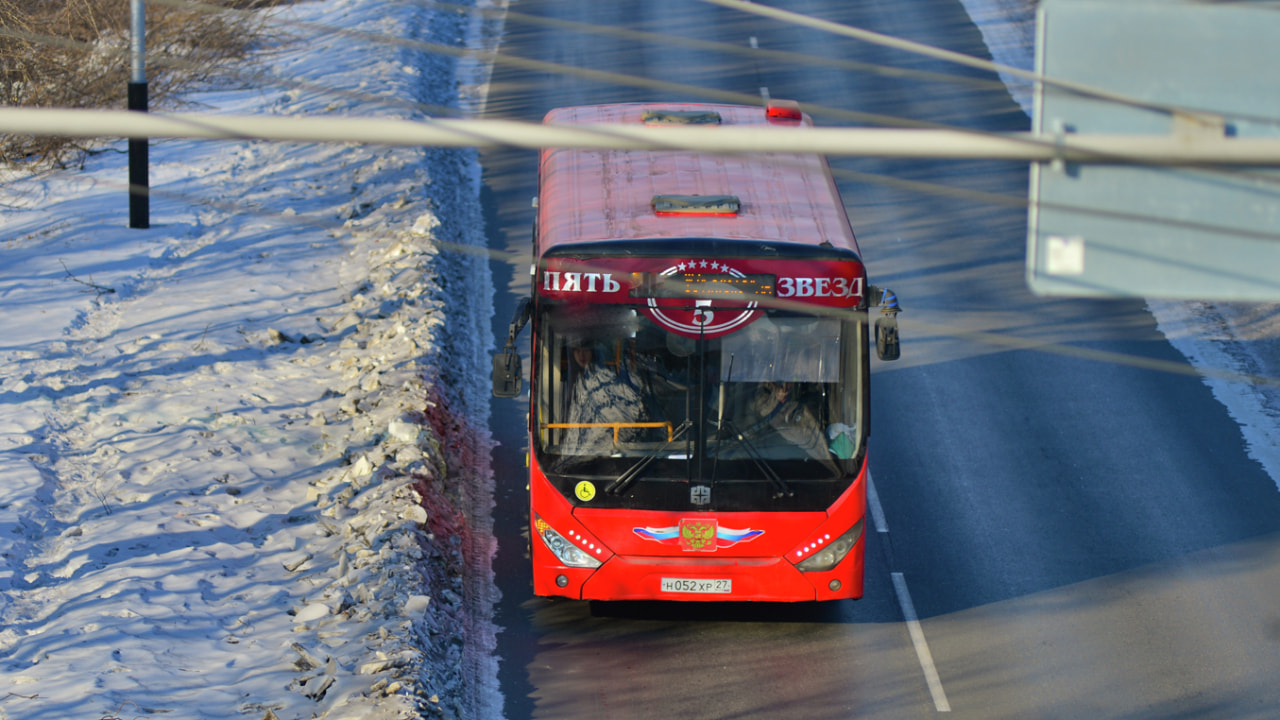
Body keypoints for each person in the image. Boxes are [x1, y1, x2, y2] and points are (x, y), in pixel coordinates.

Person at [560, 341, 644, 455]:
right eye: (577, 350)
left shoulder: (608, 378)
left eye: (586, 349)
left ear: (593, 351)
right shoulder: (570, 382)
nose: (581, 355)